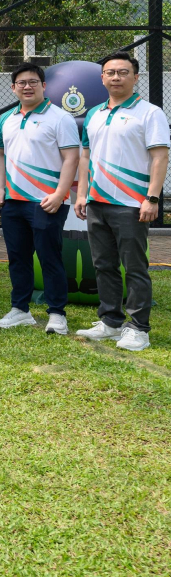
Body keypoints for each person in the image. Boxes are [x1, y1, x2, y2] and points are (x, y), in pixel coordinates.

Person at [75, 51, 169, 352]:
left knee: (135, 266)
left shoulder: (150, 113)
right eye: (110, 72)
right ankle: (111, 322)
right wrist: (81, 194)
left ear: (135, 77)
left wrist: (152, 198)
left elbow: (159, 156)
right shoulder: (94, 114)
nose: (116, 77)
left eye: (123, 72)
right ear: (102, 77)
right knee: (103, 265)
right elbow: (86, 156)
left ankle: (139, 328)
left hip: (131, 204)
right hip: (97, 202)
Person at [0, 62, 80, 336]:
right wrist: (0, 187)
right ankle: (21, 310)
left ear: (44, 86)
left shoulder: (60, 118)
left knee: (49, 257)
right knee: (17, 258)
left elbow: (71, 158)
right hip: (13, 201)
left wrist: (58, 194)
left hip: (46, 201)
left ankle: (57, 314)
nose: (27, 86)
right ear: (13, 88)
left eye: (33, 82)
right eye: (21, 82)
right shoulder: (7, 119)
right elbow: (0, 155)